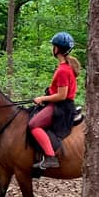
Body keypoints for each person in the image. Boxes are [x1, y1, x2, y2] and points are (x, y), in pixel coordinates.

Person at [29, 32, 82, 169]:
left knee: (34, 125)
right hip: (60, 104)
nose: (52, 48)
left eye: (53, 46)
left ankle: (50, 157)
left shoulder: (63, 70)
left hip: (61, 107)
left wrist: (42, 98)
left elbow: (62, 96)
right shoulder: (65, 67)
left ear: (57, 49)